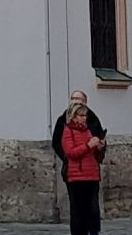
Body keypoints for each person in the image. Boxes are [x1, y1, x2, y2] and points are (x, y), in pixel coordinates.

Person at [58, 101, 103, 235]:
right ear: (74, 116)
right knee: (79, 211)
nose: (84, 118)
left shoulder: (88, 130)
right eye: (81, 115)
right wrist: (89, 145)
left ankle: (94, 231)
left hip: (92, 175)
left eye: (85, 115)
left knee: (92, 209)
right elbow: (71, 153)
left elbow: (96, 156)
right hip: (77, 176)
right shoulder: (68, 131)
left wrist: (99, 147)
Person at [51, 90, 107, 177]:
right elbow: (56, 142)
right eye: (72, 98)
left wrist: (100, 147)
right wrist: (66, 158)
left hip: (91, 168)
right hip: (72, 168)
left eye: (77, 98)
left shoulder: (93, 119)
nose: (74, 101)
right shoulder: (62, 119)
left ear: (84, 102)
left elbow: (99, 138)